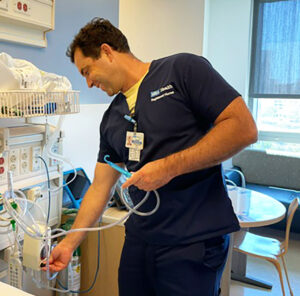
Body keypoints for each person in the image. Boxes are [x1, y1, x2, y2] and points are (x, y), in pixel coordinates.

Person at [46, 18, 257, 296]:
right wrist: (69, 242)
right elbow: (99, 187)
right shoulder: (112, 117)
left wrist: (168, 167)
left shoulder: (181, 71)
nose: (88, 83)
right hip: (140, 242)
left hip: (191, 241)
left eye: (87, 70)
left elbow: (243, 128)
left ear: (108, 52)